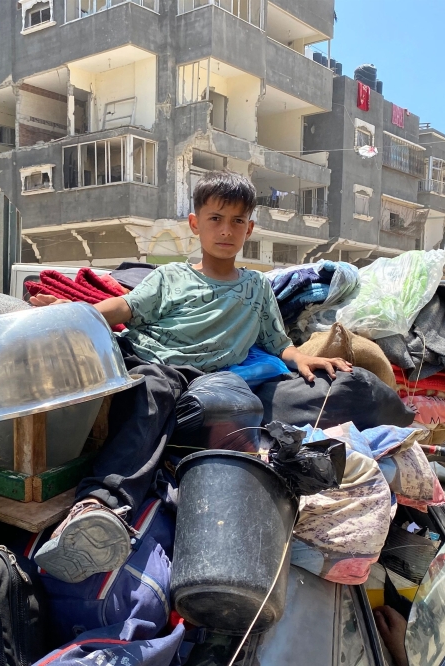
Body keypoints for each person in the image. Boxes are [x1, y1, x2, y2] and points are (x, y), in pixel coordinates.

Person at [29, 171, 351, 583]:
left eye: (237, 221)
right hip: (143, 357)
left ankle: (99, 505)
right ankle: (95, 505)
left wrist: (302, 358)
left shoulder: (255, 288)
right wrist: (72, 314)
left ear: (249, 229)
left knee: (163, 389)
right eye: (215, 218)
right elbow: (125, 309)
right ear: (195, 223)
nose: (226, 230)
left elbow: (276, 341)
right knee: (141, 383)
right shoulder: (171, 277)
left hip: (189, 375)